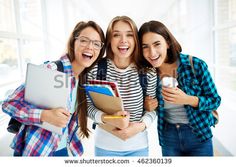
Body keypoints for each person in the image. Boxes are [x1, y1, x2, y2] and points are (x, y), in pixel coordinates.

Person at [2, 21, 105, 156]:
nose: (90, 47)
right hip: (37, 151)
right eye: (84, 40)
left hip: (63, 150)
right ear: (73, 42)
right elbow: (9, 104)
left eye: (96, 43)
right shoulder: (52, 70)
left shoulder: (83, 81)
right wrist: (44, 115)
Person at [138, 20, 221, 156]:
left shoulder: (195, 65)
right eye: (145, 46)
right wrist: (146, 106)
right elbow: (140, 106)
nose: (151, 52)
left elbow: (215, 100)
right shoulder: (146, 74)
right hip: (168, 136)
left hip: (198, 133)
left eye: (157, 44)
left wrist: (188, 99)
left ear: (168, 43)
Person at [86, 16, 157, 156]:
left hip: (139, 147)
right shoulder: (96, 68)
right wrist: (110, 119)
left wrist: (139, 127)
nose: (123, 40)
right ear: (109, 40)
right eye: (116, 35)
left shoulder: (147, 71)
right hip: (105, 147)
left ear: (135, 40)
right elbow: (87, 107)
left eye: (129, 35)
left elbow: (153, 109)